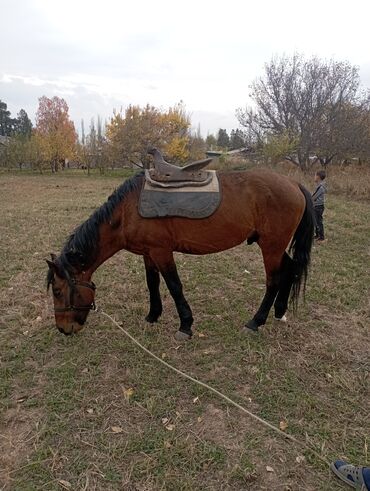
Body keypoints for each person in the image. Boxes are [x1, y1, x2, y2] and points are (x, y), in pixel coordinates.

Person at [312, 170, 327, 243]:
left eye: (315, 175)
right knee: (316, 221)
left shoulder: (321, 187)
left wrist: (309, 200)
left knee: (318, 222)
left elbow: (314, 197)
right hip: (317, 206)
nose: (314, 177)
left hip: (318, 206)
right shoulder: (319, 185)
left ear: (318, 177)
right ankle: (317, 235)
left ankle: (321, 237)